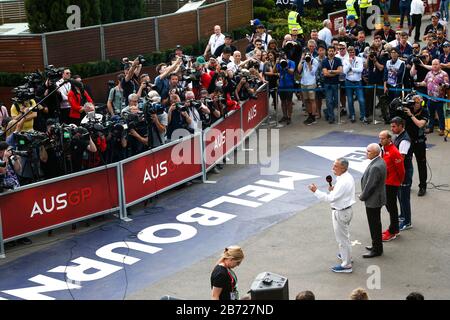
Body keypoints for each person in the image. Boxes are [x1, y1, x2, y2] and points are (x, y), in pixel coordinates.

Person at [308, 158, 356, 273]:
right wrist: (334, 190)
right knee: (345, 237)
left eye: (335, 166)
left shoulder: (344, 181)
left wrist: (316, 191)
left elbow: (330, 198)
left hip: (341, 212)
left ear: (343, 168)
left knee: (342, 239)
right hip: (345, 210)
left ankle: (346, 265)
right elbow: (339, 194)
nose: (332, 168)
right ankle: (346, 256)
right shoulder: (346, 177)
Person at [360, 143, 387, 258]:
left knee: (374, 225)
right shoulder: (379, 161)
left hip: (373, 200)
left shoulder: (376, 166)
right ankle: (376, 245)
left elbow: (370, 185)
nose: (366, 153)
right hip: (377, 197)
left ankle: (377, 249)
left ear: (376, 152)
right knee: (375, 224)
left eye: (369, 151)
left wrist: (362, 196)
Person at [379, 130, 405, 241]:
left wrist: (399, 182)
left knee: (392, 207)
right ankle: (395, 228)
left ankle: (393, 230)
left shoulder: (394, 151)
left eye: (383, 138)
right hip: (385, 182)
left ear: (389, 139)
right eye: (380, 138)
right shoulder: (384, 149)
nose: (380, 140)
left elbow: (401, 169)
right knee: (389, 206)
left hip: (391, 184)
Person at [390, 117, 414, 231]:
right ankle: (403, 215)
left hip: (404, 172)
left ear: (401, 126)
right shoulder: (398, 136)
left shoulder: (404, 140)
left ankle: (407, 221)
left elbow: (401, 159)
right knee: (400, 195)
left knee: (404, 197)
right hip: (400, 172)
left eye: (394, 126)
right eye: (391, 126)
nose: (392, 128)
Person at [415, 59, 450, 136]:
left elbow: (448, 84)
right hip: (430, 98)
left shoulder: (444, 74)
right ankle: (430, 127)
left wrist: (444, 85)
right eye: (433, 64)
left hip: (439, 98)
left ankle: (442, 129)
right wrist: (418, 84)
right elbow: (425, 82)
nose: (434, 66)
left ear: (439, 65)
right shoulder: (429, 73)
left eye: (436, 64)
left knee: (440, 115)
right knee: (430, 114)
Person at [343, 46, 367, 123]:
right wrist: (349, 64)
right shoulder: (345, 60)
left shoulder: (359, 59)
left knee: (361, 100)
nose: (351, 53)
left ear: (354, 52)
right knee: (350, 100)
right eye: (350, 52)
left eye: (353, 52)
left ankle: (363, 116)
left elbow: (360, 70)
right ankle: (352, 115)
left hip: (358, 82)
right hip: (348, 81)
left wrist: (351, 69)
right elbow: (344, 71)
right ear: (348, 52)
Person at [298, 48, 319, 125]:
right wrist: (301, 59)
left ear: (311, 53)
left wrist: (309, 62)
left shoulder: (314, 61)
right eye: (305, 53)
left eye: (308, 53)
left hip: (311, 82)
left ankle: (313, 116)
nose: (306, 55)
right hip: (303, 82)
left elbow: (313, 72)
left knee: (312, 100)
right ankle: (309, 115)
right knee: (306, 100)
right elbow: (299, 70)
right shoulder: (303, 60)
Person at [322, 46, 343, 124]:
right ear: (327, 52)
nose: (331, 52)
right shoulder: (324, 61)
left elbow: (340, 71)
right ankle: (331, 117)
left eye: (332, 51)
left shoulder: (338, 60)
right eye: (329, 51)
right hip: (327, 84)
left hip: (336, 83)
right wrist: (335, 72)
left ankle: (327, 111)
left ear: (335, 52)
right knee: (329, 101)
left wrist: (330, 71)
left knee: (337, 101)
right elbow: (325, 73)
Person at [276, 53, 296, 125]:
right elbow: (276, 71)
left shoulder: (291, 62)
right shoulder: (279, 62)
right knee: (283, 101)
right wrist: (277, 63)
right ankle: (284, 116)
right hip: (281, 85)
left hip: (289, 84)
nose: (283, 58)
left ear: (286, 56)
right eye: (281, 56)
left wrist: (286, 66)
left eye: (284, 56)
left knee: (289, 102)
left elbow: (292, 71)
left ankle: (289, 117)